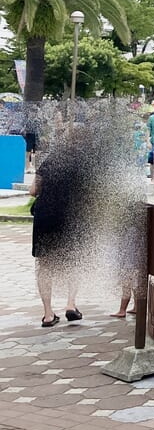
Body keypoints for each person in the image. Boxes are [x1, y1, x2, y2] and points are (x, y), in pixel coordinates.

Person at [30, 135, 85, 327]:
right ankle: (70, 304)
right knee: (74, 260)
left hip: (45, 217)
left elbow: (33, 190)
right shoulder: (83, 164)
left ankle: (47, 314)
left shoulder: (49, 161)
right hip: (71, 218)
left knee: (44, 265)